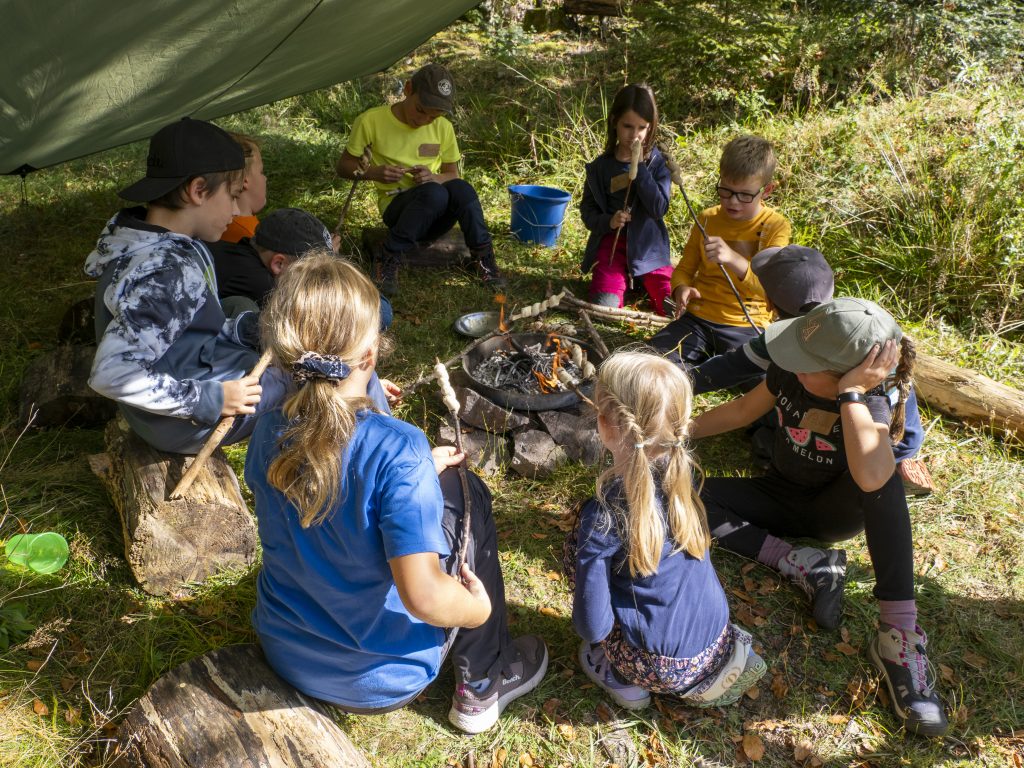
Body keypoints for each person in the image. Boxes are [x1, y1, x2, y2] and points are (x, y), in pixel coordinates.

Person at [246, 252, 547, 734]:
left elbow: (332, 485)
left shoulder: (267, 429)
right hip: (381, 678)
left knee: (437, 483)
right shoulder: (398, 448)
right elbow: (424, 596)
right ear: (369, 355)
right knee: (467, 490)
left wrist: (413, 474)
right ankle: (485, 678)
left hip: (285, 649)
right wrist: (476, 610)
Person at [690, 298, 948, 737]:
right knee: (684, 494)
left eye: (806, 363)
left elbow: (871, 476)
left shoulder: (880, 399)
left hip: (836, 511)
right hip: (779, 495)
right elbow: (740, 412)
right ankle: (804, 563)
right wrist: (673, 432)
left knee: (883, 481)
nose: (791, 364)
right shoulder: (792, 371)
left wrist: (853, 395)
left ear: (852, 373)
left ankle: (898, 636)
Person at [564, 349, 767, 711]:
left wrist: (597, 635)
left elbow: (593, 628)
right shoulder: (681, 482)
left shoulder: (604, 516)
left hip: (660, 666)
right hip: (715, 643)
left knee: (576, 546)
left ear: (606, 423)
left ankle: (623, 677)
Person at [85, 117, 287, 454]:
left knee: (248, 314)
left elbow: (184, 327)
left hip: (178, 386)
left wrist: (246, 330)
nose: (238, 210)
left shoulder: (144, 241)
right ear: (198, 190)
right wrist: (212, 398)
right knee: (308, 377)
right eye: (234, 196)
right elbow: (112, 373)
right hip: (181, 423)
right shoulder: (165, 273)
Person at [690, 245, 931, 493]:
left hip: (873, 447)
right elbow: (744, 406)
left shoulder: (864, 381)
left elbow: (729, 369)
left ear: (769, 303)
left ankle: (897, 465)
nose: (796, 370)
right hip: (895, 435)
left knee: (772, 420)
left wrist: (680, 383)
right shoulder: (847, 324)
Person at [335, 63, 505, 297]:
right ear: (408, 89)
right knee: (434, 193)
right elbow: (344, 167)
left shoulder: (443, 128)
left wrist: (433, 176)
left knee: (462, 189)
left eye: (434, 116)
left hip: (436, 214)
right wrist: (375, 172)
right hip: (398, 210)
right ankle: (388, 257)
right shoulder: (372, 121)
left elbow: (452, 175)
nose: (425, 120)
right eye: (420, 110)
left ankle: (484, 259)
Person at [651, 134, 790, 366]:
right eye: (725, 191)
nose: (732, 202)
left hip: (745, 325)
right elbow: (685, 267)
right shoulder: (707, 219)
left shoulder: (774, 226)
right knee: (654, 359)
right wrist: (681, 287)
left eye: (744, 195)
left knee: (761, 377)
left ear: (766, 191)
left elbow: (768, 289)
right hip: (698, 319)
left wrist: (734, 259)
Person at [580, 84, 673, 315]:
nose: (634, 135)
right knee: (605, 308)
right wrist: (608, 221)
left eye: (642, 128)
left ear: (650, 127)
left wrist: (639, 167)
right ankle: (626, 280)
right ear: (614, 122)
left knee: (671, 306)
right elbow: (588, 213)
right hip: (612, 247)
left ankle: (641, 278)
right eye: (628, 126)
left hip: (648, 248)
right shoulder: (600, 168)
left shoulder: (657, 164)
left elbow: (658, 208)